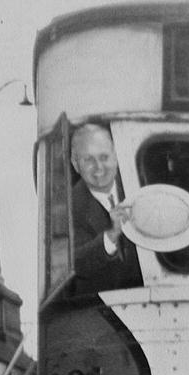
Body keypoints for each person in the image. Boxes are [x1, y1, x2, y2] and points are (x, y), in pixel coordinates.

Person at [69, 122, 142, 294]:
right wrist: (111, 236)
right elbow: (75, 264)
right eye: (88, 160)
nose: (99, 167)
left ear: (116, 156)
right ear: (75, 164)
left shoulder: (141, 185)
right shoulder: (67, 208)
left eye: (104, 157)